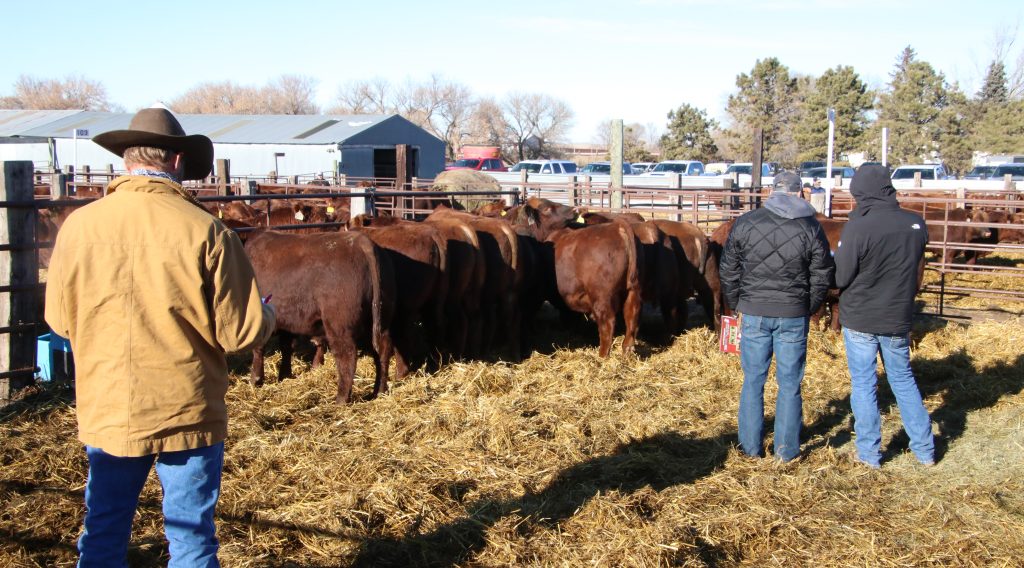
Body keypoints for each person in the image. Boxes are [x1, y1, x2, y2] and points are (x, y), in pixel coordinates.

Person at [45, 106, 277, 566]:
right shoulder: (206, 231)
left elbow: (59, 321)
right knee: (191, 537)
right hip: (187, 412)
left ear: (127, 160)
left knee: (104, 527)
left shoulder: (79, 228)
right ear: (175, 161)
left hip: (110, 407)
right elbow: (240, 333)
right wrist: (266, 317)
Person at [720, 171, 834, 463]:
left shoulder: (746, 222)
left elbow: (729, 268)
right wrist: (809, 306)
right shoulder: (811, 227)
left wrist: (737, 303)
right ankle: (786, 450)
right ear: (799, 193)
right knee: (790, 383)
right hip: (793, 313)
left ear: (773, 191)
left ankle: (749, 448)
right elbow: (822, 273)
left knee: (753, 380)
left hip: (755, 311)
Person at [834, 164, 935, 469]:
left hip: (861, 318)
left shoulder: (858, 226)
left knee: (864, 384)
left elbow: (841, 275)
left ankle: (869, 453)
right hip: (897, 316)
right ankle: (925, 449)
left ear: (861, 192)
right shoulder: (915, 224)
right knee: (903, 380)